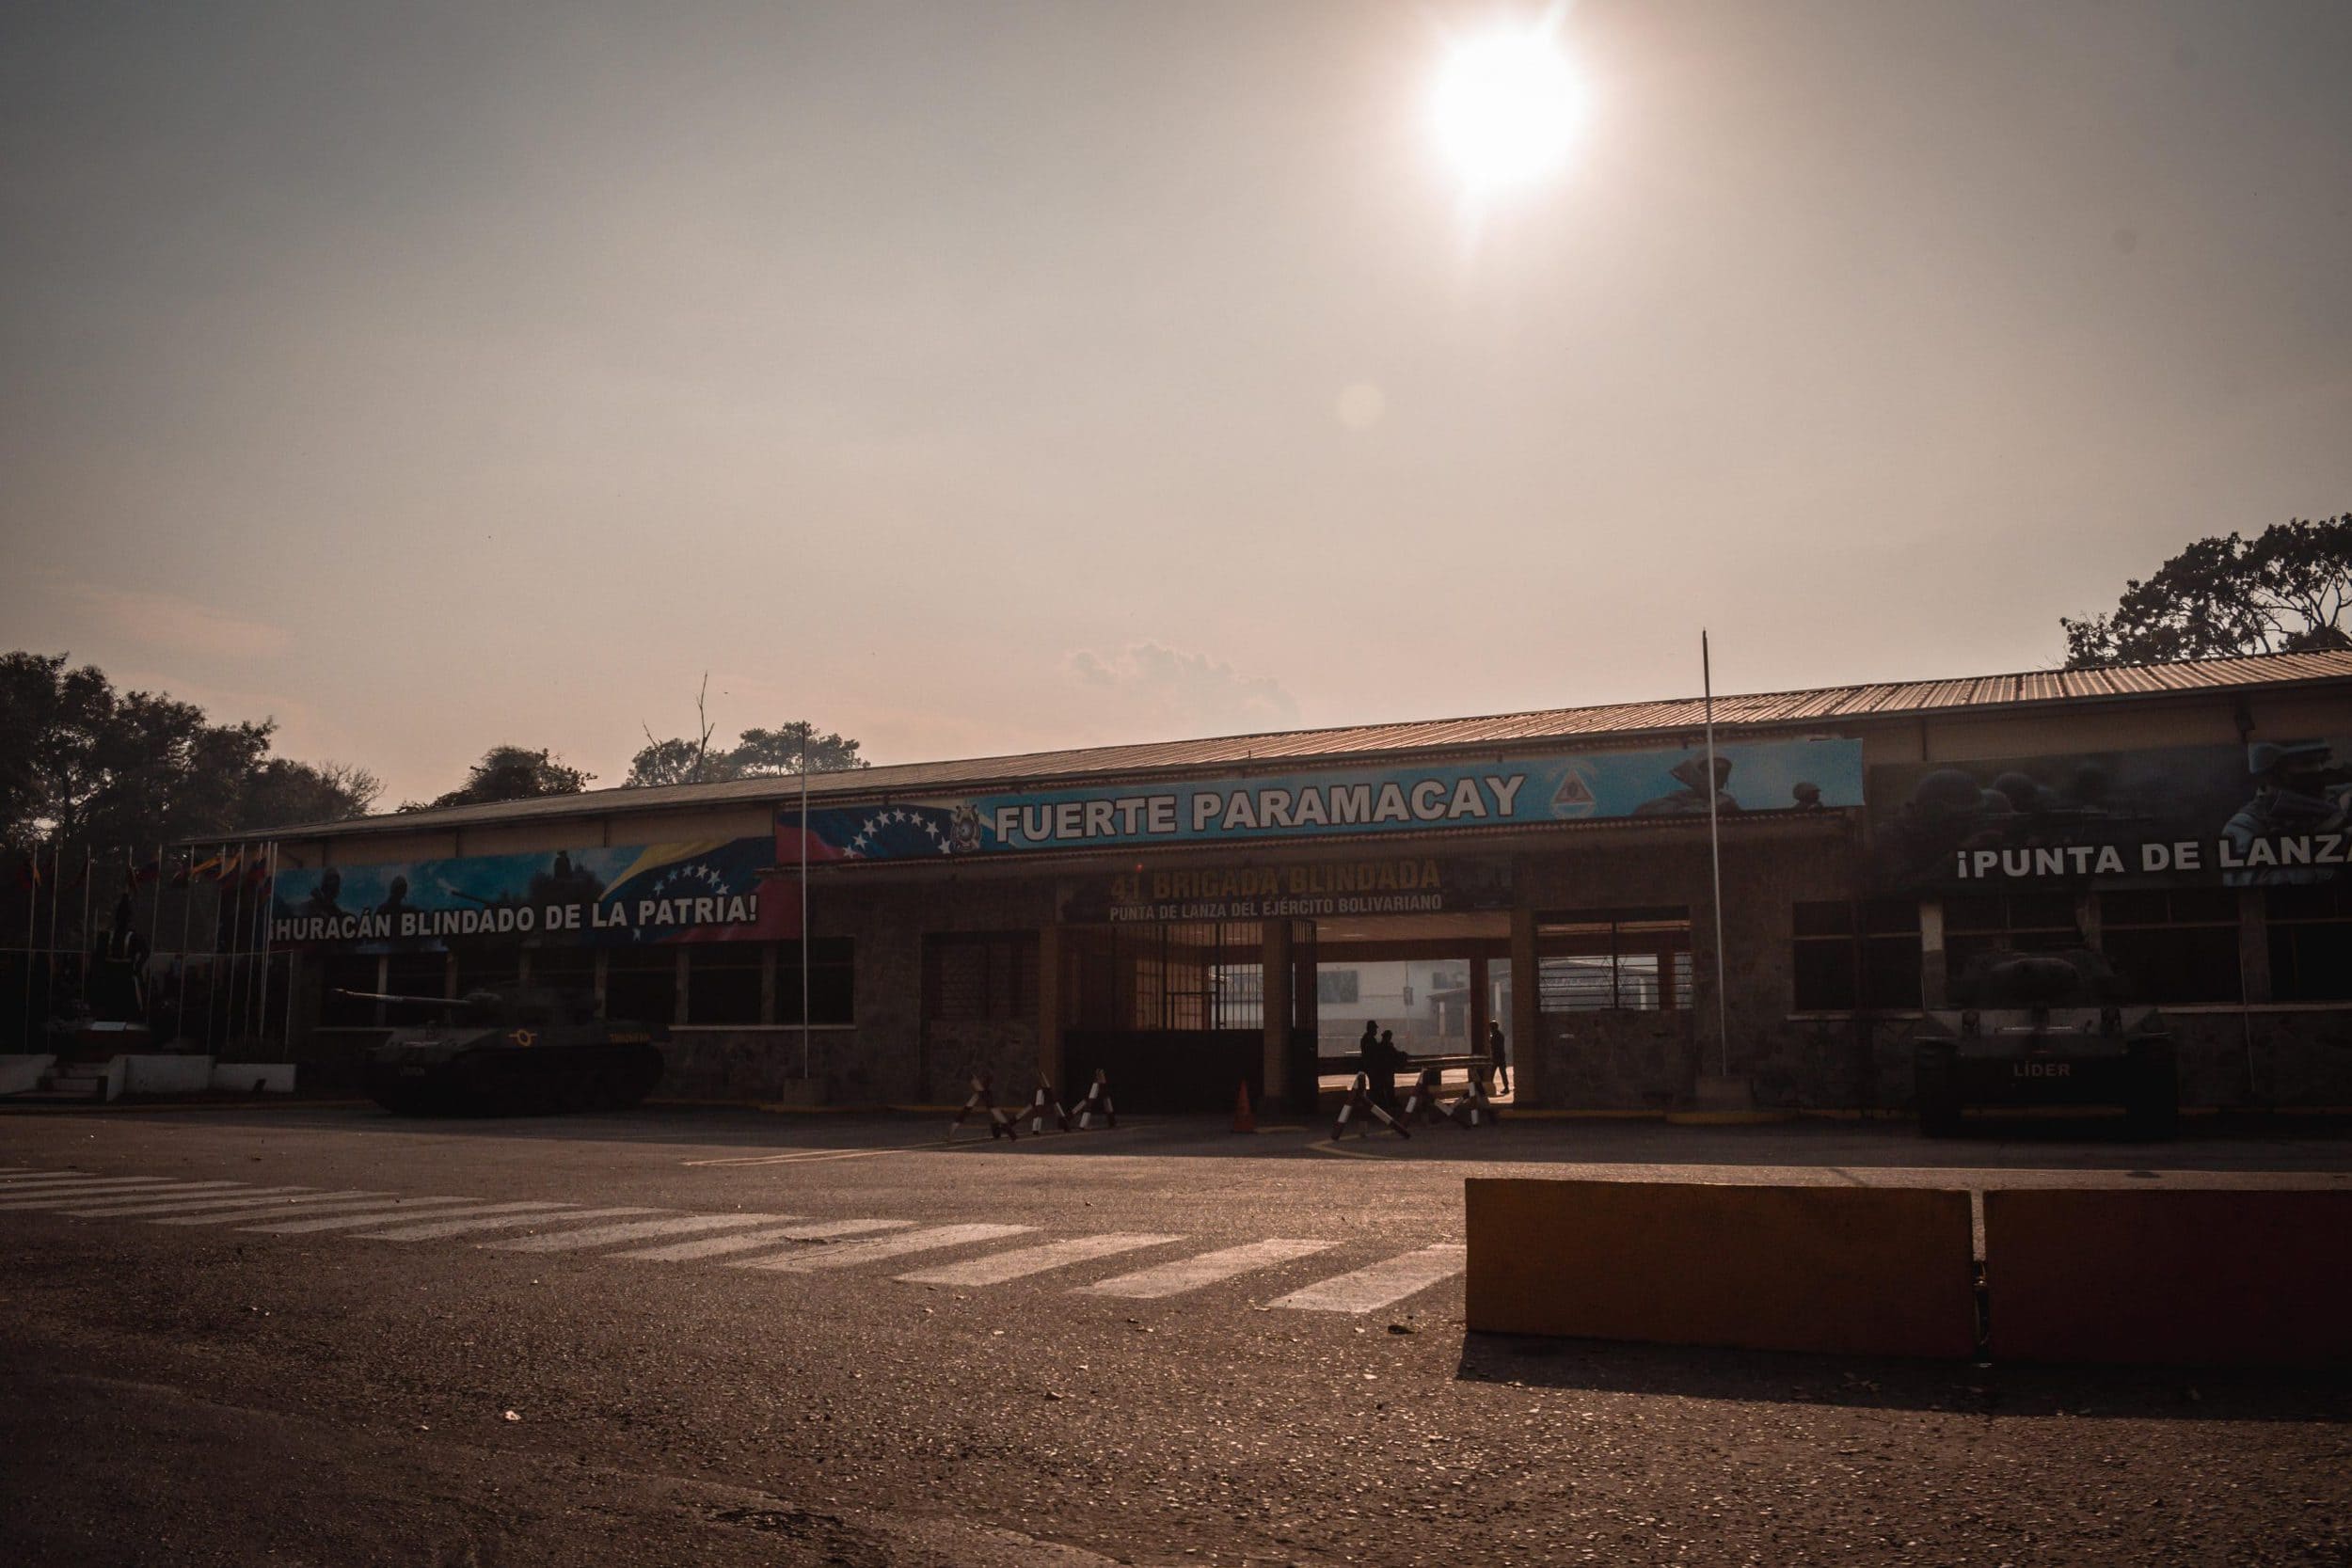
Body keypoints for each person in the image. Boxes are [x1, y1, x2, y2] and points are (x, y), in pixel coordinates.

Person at [1486, 1019, 1511, 1096]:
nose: (1490, 1029)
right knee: (1503, 1073)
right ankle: (1506, 1087)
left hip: (1497, 1057)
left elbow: (1494, 1046)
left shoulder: (1495, 1036)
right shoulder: (1500, 1035)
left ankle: (1489, 1088)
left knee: (1491, 1074)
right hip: (1501, 1057)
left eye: (1491, 1027)